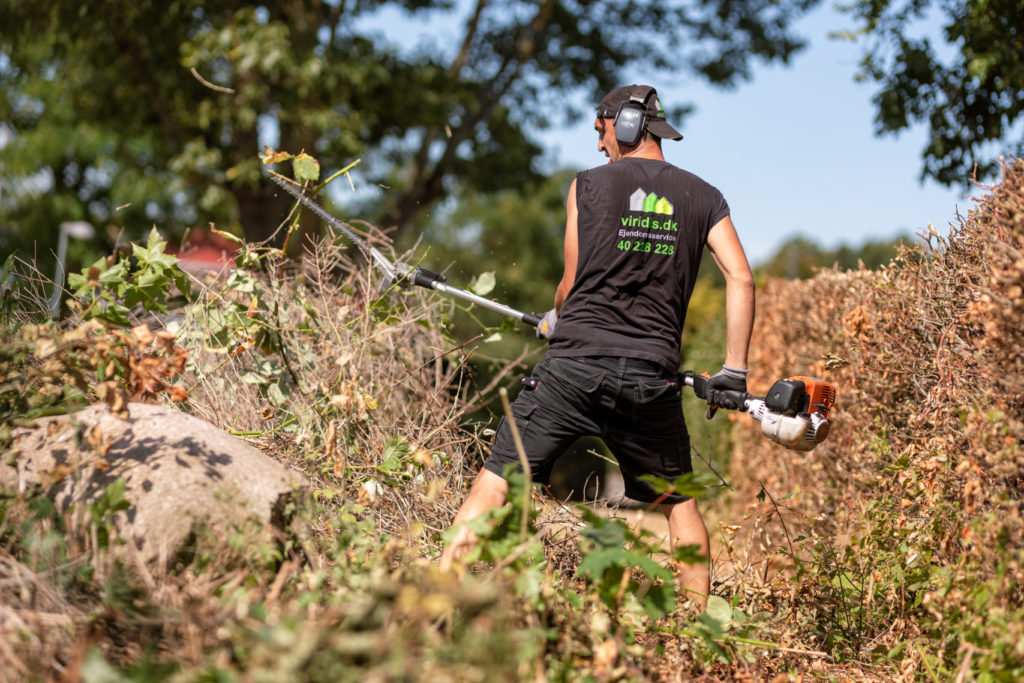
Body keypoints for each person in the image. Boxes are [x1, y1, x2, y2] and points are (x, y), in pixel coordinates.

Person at [439, 84, 755, 611]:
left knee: (496, 480)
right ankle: (695, 637)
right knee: (679, 507)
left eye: (599, 130)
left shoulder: (587, 186)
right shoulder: (707, 196)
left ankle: (434, 594)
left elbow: (571, 279)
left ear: (625, 124)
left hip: (572, 369)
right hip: (650, 380)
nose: (598, 144)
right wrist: (734, 373)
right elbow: (741, 279)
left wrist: (555, 318)